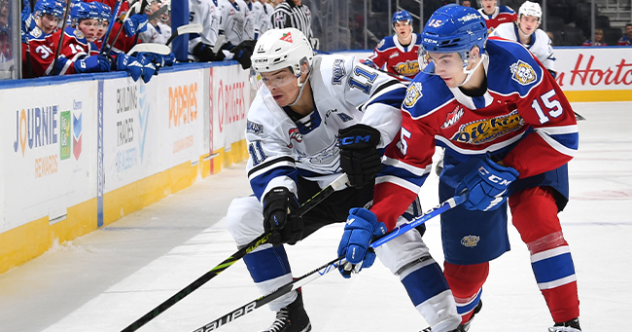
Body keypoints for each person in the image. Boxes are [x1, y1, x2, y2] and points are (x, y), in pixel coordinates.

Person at [337, 5, 582, 332]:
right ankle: (459, 322)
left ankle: (568, 323)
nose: (435, 68)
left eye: (445, 59)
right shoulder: (424, 98)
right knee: (465, 274)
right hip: (466, 162)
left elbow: (562, 135)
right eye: (432, 56)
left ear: (473, 53)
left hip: (528, 150)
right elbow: (406, 167)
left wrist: (506, 167)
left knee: (537, 219)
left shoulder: (517, 66)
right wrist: (376, 216)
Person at [225, 27, 461, 332]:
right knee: (243, 217)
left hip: (367, 179)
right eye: (265, 77)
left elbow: (391, 92)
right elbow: (269, 164)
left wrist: (371, 137)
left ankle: (447, 324)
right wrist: (277, 197)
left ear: (303, 68)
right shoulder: (263, 111)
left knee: (399, 239)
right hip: (315, 190)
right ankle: (290, 313)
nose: (271, 87)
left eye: (279, 76)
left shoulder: (336, 72)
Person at [491, 1, 556, 78]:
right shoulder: (502, 32)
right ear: (519, 19)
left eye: (533, 20)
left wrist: (549, 72)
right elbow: (488, 51)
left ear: (538, 23)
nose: (529, 24)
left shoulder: (542, 38)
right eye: (526, 19)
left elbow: (547, 58)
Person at [364, 10, 422, 82]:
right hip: (395, 85)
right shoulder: (387, 44)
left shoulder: (422, 42)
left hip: (419, 84)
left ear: (410, 25)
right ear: (395, 28)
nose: (401, 28)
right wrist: (368, 65)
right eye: (398, 25)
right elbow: (374, 62)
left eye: (404, 24)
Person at [218, 0, 254, 69]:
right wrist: (232, 48)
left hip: (235, 48)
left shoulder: (242, 4)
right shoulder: (223, 5)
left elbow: (247, 28)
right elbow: (219, 34)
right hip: (224, 51)